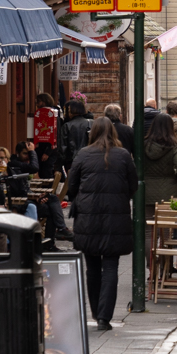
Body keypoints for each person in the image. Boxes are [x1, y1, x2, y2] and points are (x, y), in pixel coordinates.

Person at [66, 118, 137, 328]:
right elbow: (133, 185)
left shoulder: (83, 154)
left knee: (92, 267)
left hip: (88, 218)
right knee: (111, 267)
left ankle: (96, 312)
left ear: (93, 133)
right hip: (116, 217)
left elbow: (71, 187)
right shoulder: (123, 155)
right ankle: (105, 317)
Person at [141, 113, 177, 210]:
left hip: (146, 193)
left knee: (148, 219)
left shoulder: (143, 145)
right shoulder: (173, 146)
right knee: (166, 219)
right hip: (169, 192)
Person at [58, 99, 92, 172]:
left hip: (72, 161)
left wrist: (60, 164)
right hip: (91, 159)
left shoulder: (67, 126)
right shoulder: (92, 123)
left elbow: (63, 148)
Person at [32, 92, 61, 169]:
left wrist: (48, 152)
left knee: (47, 170)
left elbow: (56, 135)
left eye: (38, 102)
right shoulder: (40, 114)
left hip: (49, 149)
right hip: (41, 148)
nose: (37, 104)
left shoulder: (53, 115)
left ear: (44, 102)